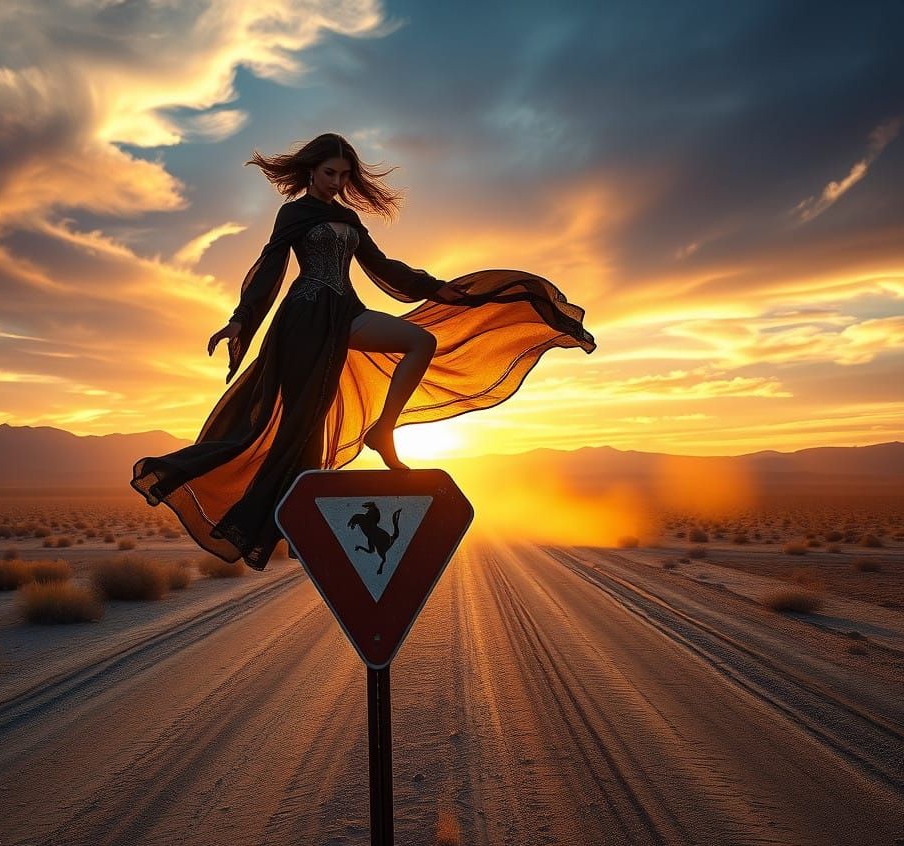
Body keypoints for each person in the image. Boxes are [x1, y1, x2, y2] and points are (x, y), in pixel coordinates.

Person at [130, 133, 595, 571]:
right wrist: (240, 319)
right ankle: (292, 530)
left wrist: (442, 290)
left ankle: (382, 431)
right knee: (302, 425)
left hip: (346, 311)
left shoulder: (350, 220)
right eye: (330, 173)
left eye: (344, 176)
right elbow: (270, 270)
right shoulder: (293, 215)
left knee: (421, 341)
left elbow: (384, 268)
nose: (337, 183)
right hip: (304, 321)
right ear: (312, 171)